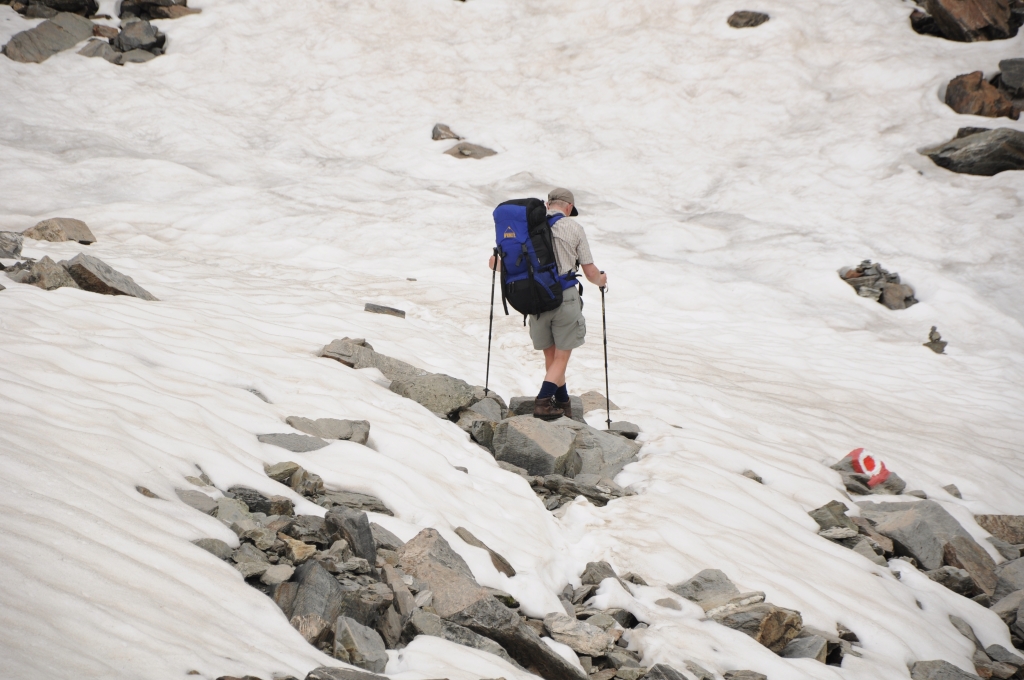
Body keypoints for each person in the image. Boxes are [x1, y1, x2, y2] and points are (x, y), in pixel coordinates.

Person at [489, 188, 607, 420]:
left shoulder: (529, 227)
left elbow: (496, 263)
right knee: (561, 359)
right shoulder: (573, 228)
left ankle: (562, 402)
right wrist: (601, 281)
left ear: (547, 203)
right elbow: (590, 272)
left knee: (551, 359)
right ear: (569, 208)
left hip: (536, 299)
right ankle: (543, 403)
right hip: (564, 298)